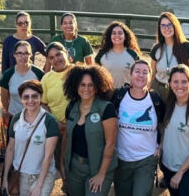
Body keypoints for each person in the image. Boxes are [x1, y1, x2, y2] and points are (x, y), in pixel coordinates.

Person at [111, 59, 165, 196]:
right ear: (130, 74)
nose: (141, 75)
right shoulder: (119, 96)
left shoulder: (155, 99)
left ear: (150, 76)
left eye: (145, 72)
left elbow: (166, 123)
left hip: (146, 159)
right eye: (137, 71)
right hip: (121, 159)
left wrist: (161, 146)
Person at [62, 65, 118, 196]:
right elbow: (66, 137)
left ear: (98, 86)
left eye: (90, 85)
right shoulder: (71, 107)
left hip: (99, 167)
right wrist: (63, 165)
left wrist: (101, 174)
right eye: (82, 84)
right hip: (75, 168)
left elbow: (110, 144)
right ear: (75, 86)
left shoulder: (106, 108)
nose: (86, 89)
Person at [2, 80, 59, 196]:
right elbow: (10, 149)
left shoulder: (50, 121)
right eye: (26, 97)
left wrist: (38, 186)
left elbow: (48, 157)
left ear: (41, 97)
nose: (30, 100)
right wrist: (4, 178)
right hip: (21, 174)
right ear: (21, 99)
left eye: (34, 96)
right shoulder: (16, 119)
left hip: (43, 175)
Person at [159, 64, 189, 196]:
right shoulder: (169, 104)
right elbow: (165, 130)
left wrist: (180, 173)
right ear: (170, 84)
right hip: (168, 166)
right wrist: (160, 147)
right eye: (175, 81)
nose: (179, 86)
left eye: (184, 81)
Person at [0, 41, 45, 166]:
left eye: (26, 53)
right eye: (19, 53)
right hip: (15, 117)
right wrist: (6, 112)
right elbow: (4, 98)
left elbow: (44, 96)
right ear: (14, 55)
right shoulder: (8, 74)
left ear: (31, 55)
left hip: (34, 118)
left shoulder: (38, 74)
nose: (23, 56)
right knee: (14, 149)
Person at [40, 43, 73, 181]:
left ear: (66, 53)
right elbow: (43, 103)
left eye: (58, 54)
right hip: (59, 127)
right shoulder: (46, 78)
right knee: (62, 161)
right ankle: (67, 186)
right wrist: (55, 121)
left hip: (78, 125)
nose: (56, 59)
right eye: (51, 57)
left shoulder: (78, 72)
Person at [150, 12, 189, 101]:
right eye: (163, 25)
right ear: (159, 28)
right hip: (158, 90)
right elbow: (152, 73)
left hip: (178, 91)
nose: (166, 28)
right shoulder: (157, 48)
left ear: (175, 26)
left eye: (169, 25)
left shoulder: (187, 47)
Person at [94, 21, 142, 89]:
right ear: (110, 36)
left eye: (120, 33)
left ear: (125, 36)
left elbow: (139, 75)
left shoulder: (133, 55)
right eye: (114, 33)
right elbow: (95, 75)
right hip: (107, 93)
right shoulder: (102, 54)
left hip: (127, 93)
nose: (117, 35)